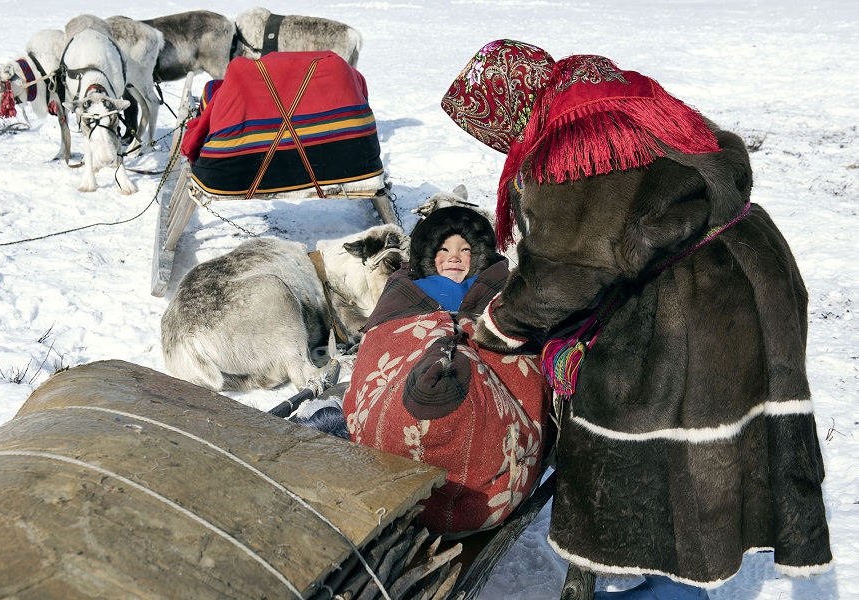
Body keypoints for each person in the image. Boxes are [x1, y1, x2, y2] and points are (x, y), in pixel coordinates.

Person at [441, 42, 833, 598]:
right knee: (717, 449)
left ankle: (645, 581)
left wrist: (501, 324)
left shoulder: (573, 146)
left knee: (652, 471)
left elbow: (565, 269)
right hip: (750, 269)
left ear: (511, 108)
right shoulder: (609, 91)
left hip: (692, 300)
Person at [342, 206, 551, 537]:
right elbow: (381, 340)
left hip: (481, 359)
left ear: (479, 254)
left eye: (465, 250)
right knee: (410, 386)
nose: (454, 257)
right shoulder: (406, 287)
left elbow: (521, 336)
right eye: (444, 249)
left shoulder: (498, 284)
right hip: (412, 353)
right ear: (429, 254)